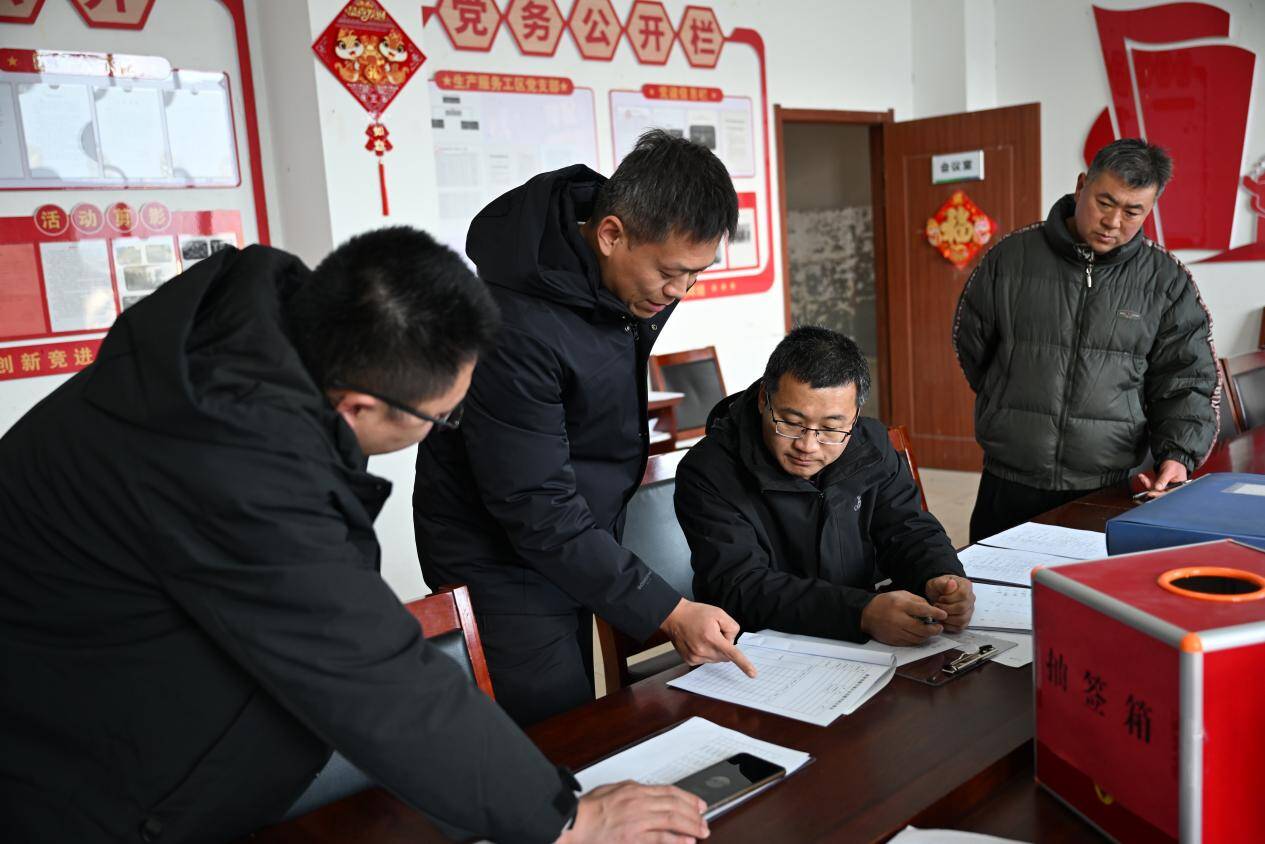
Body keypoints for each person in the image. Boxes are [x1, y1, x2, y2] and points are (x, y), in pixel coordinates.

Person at [0, 228, 711, 844]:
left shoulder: (257, 336)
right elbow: (375, 676)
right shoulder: (233, 467)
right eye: (443, 418)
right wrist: (569, 820)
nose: (445, 428)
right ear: (359, 406)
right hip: (81, 782)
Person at [414, 130, 756, 727]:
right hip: (499, 557)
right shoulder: (514, 327)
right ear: (611, 235)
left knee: (582, 700)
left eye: (695, 275)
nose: (679, 291)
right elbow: (536, 504)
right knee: (556, 728)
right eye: (671, 273)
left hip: (566, 530)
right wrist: (668, 610)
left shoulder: (614, 272)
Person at [954, 138, 1219, 543]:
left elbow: (1185, 378)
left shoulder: (1166, 280)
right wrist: (1009, 397)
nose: (1113, 222)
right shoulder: (1010, 259)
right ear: (1081, 186)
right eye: (1104, 202)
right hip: (1009, 478)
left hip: (1109, 483)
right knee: (989, 581)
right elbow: (973, 346)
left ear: (1150, 208)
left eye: (1132, 211)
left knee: (1086, 582)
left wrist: (1178, 455)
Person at [673, 327, 975, 646]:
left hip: (861, 639)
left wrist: (941, 575)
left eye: (831, 428)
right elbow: (741, 586)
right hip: (756, 645)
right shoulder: (709, 471)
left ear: (854, 415)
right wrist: (861, 613)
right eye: (791, 423)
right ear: (764, 399)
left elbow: (907, 528)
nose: (808, 445)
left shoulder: (870, 446)